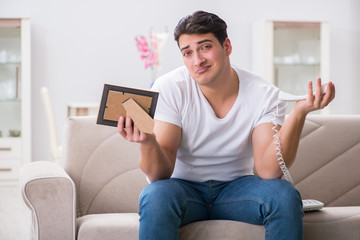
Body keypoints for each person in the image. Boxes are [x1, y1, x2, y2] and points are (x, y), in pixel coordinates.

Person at [117, 10, 335, 240]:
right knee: (156, 195)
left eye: (205, 47)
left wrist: (299, 113)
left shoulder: (263, 93)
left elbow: (268, 170)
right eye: (187, 53)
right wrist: (148, 141)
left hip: (238, 190)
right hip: (182, 190)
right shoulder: (171, 87)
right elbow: (160, 173)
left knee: (284, 195)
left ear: (227, 46)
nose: (197, 60)